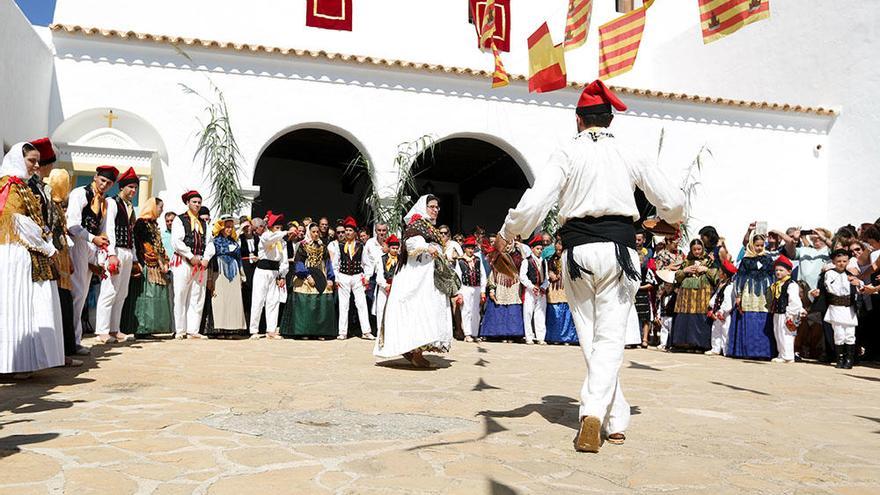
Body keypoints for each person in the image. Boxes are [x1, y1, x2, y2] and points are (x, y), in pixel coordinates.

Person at [493, 80, 685, 452]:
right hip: (620, 251)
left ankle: (605, 416)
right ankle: (602, 415)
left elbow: (535, 204)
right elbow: (674, 203)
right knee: (610, 337)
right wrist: (667, 217)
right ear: (610, 120)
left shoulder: (566, 152)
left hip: (577, 253)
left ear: (578, 120)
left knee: (590, 335)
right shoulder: (631, 152)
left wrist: (508, 232)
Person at [0, 143, 64, 376]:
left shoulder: (20, 185)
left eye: (38, 161)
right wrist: (47, 247)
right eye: (32, 161)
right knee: (13, 305)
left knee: (22, 307)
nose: (36, 165)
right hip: (12, 253)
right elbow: (18, 222)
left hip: (21, 251)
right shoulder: (9, 186)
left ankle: (17, 363)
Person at [374, 195, 453, 367]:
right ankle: (415, 352)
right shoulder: (417, 225)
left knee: (426, 312)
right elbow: (410, 244)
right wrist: (427, 247)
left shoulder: (431, 228)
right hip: (415, 278)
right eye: (431, 206)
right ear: (423, 207)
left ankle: (417, 352)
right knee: (416, 311)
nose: (435, 210)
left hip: (427, 277)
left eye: (437, 207)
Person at [66, 165, 118, 353]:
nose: (104, 185)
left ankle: (75, 340)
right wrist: (92, 239)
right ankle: (71, 341)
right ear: (95, 177)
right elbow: (72, 224)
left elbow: (106, 229)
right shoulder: (80, 193)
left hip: (91, 246)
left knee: (83, 293)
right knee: (77, 293)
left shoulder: (105, 202)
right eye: (102, 180)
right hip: (77, 242)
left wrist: (107, 254)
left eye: (109, 183)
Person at [94, 167, 139, 344]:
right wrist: (111, 254)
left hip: (127, 251)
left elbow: (131, 233)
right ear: (122, 187)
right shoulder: (112, 202)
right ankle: (102, 330)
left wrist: (134, 257)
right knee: (109, 290)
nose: (133, 191)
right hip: (116, 250)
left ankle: (114, 329)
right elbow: (109, 229)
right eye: (131, 187)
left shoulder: (131, 208)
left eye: (135, 188)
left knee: (122, 292)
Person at [46, 168, 81, 366]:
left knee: (64, 302)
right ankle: (60, 354)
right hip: (54, 257)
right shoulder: (50, 204)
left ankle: (64, 352)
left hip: (63, 257)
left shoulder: (58, 205)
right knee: (59, 303)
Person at [122, 197, 172, 335]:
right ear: (153, 207)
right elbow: (144, 245)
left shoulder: (154, 224)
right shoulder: (141, 224)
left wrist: (164, 259)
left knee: (155, 295)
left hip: (156, 264)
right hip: (145, 264)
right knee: (145, 295)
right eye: (160, 207)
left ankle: (152, 327)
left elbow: (159, 245)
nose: (162, 210)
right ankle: (141, 327)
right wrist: (158, 260)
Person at [281, 222, 337, 338]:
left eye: (317, 232)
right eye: (313, 232)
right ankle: (303, 331)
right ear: (309, 233)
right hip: (305, 276)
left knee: (322, 302)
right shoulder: (303, 245)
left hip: (320, 275)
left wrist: (330, 278)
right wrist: (306, 275)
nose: (316, 234)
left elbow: (327, 263)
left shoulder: (323, 246)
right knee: (305, 303)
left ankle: (320, 332)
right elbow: (299, 262)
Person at [170, 190, 214, 340]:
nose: (197, 204)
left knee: (197, 296)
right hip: (183, 261)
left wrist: (206, 258)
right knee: (181, 295)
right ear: (188, 203)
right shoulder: (180, 219)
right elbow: (176, 241)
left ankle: (193, 330)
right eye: (194, 202)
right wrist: (189, 255)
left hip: (200, 263)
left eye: (199, 202)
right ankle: (180, 330)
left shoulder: (204, 223)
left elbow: (209, 243)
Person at [727, 233, 776, 359]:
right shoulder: (746, 260)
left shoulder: (768, 259)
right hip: (749, 293)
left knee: (764, 319)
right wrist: (738, 295)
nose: (759, 248)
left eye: (761, 245)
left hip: (764, 294)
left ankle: (763, 352)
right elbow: (739, 278)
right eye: (756, 245)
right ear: (751, 245)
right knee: (749, 318)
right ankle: (748, 351)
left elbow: (773, 277)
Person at [248, 212, 291, 340]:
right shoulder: (266, 236)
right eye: (276, 228)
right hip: (262, 271)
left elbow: (283, 260)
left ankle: (271, 329)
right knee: (258, 299)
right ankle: (254, 329)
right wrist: (285, 233)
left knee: (273, 300)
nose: (279, 230)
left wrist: (282, 275)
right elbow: (271, 238)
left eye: (280, 228)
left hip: (274, 271)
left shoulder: (281, 242)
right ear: (271, 228)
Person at [668, 239, 717, 351]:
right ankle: (682, 343)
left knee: (700, 319)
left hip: (702, 293)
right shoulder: (686, 261)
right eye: (694, 249)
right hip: (685, 295)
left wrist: (706, 269)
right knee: (685, 319)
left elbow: (717, 276)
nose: (697, 252)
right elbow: (677, 277)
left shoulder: (709, 260)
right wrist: (685, 270)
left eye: (699, 249)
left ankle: (700, 344)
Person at [205, 215, 247, 337]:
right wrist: (209, 279)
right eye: (227, 227)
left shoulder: (234, 242)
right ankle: (218, 329)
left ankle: (231, 329)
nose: (229, 229)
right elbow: (210, 262)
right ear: (221, 227)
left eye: (231, 227)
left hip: (233, 274)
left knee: (232, 301)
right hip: (219, 273)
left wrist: (241, 275)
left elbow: (239, 259)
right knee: (219, 300)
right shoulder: (215, 242)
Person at [815, 249, 859, 368]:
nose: (841, 263)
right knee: (839, 333)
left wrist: (856, 283)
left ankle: (849, 358)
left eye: (844, 261)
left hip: (848, 308)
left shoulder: (850, 275)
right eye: (838, 261)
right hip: (836, 307)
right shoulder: (829, 274)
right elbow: (829, 288)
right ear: (833, 262)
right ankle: (839, 358)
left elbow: (859, 289)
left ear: (848, 262)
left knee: (850, 333)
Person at [336, 216, 373, 340]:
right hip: (343, 276)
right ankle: (342, 332)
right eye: (346, 230)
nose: (347, 232)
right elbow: (335, 263)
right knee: (343, 305)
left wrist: (367, 276)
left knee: (361, 304)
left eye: (350, 230)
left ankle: (366, 331)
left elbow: (367, 263)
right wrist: (337, 277)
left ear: (355, 232)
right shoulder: (340, 245)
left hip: (357, 276)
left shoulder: (360, 246)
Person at [769, 255, 805, 363]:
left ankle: (788, 355)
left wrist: (791, 314)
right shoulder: (777, 285)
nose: (778, 272)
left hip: (786, 313)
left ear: (789, 272)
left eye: (781, 270)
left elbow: (794, 301)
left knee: (787, 334)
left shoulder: (791, 285)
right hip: (778, 312)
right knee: (778, 333)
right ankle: (781, 354)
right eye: (776, 270)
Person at [545, 237, 578, 345]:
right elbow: (548, 270)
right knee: (554, 310)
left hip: (566, 287)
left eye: (560, 250)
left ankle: (567, 338)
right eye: (557, 250)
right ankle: (554, 337)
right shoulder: (551, 259)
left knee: (566, 312)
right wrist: (551, 274)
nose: (558, 252)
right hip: (554, 288)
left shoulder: (569, 258)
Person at [454, 236, 486, 343]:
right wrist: (459, 293)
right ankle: (467, 333)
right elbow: (458, 277)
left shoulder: (477, 260)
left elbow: (482, 275)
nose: (471, 250)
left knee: (476, 311)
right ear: (465, 249)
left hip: (476, 287)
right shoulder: (460, 261)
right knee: (466, 310)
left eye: (472, 248)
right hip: (466, 287)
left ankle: (475, 333)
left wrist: (483, 290)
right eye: (468, 248)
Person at [520, 235, 550, 345]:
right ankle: (529, 337)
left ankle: (541, 337)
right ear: (532, 249)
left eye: (541, 249)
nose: (540, 251)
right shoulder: (526, 261)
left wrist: (543, 287)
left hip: (541, 290)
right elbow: (522, 276)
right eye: (537, 249)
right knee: (528, 313)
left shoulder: (544, 261)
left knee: (541, 313)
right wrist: (532, 287)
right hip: (530, 290)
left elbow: (546, 277)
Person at [707, 259, 737, 356]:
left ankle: (726, 349)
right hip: (717, 311)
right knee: (715, 330)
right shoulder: (720, 284)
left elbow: (728, 301)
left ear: (724, 274)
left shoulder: (729, 286)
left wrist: (722, 311)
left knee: (725, 331)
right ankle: (715, 348)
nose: (718, 272)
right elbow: (716, 296)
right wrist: (712, 307)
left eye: (720, 271)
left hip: (724, 314)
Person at [373, 234, 400, 335]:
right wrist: (385, 285)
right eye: (393, 248)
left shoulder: (400, 259)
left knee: (395, 310)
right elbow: (379, 275)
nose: (395, 250)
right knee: (381, 309)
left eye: (397, 248)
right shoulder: (382, 259)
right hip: (384, 287)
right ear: (388, 248)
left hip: (396, 287)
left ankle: (393, 332)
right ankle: (380, 331)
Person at [238, 216, 259, 323]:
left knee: (253, 293)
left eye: (248, 226)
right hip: (244, 266)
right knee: (244, 293)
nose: (247, 229)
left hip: (254, 267)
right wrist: (240, 229)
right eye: (245, 227)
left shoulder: (257, 238)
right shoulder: (240, 238)